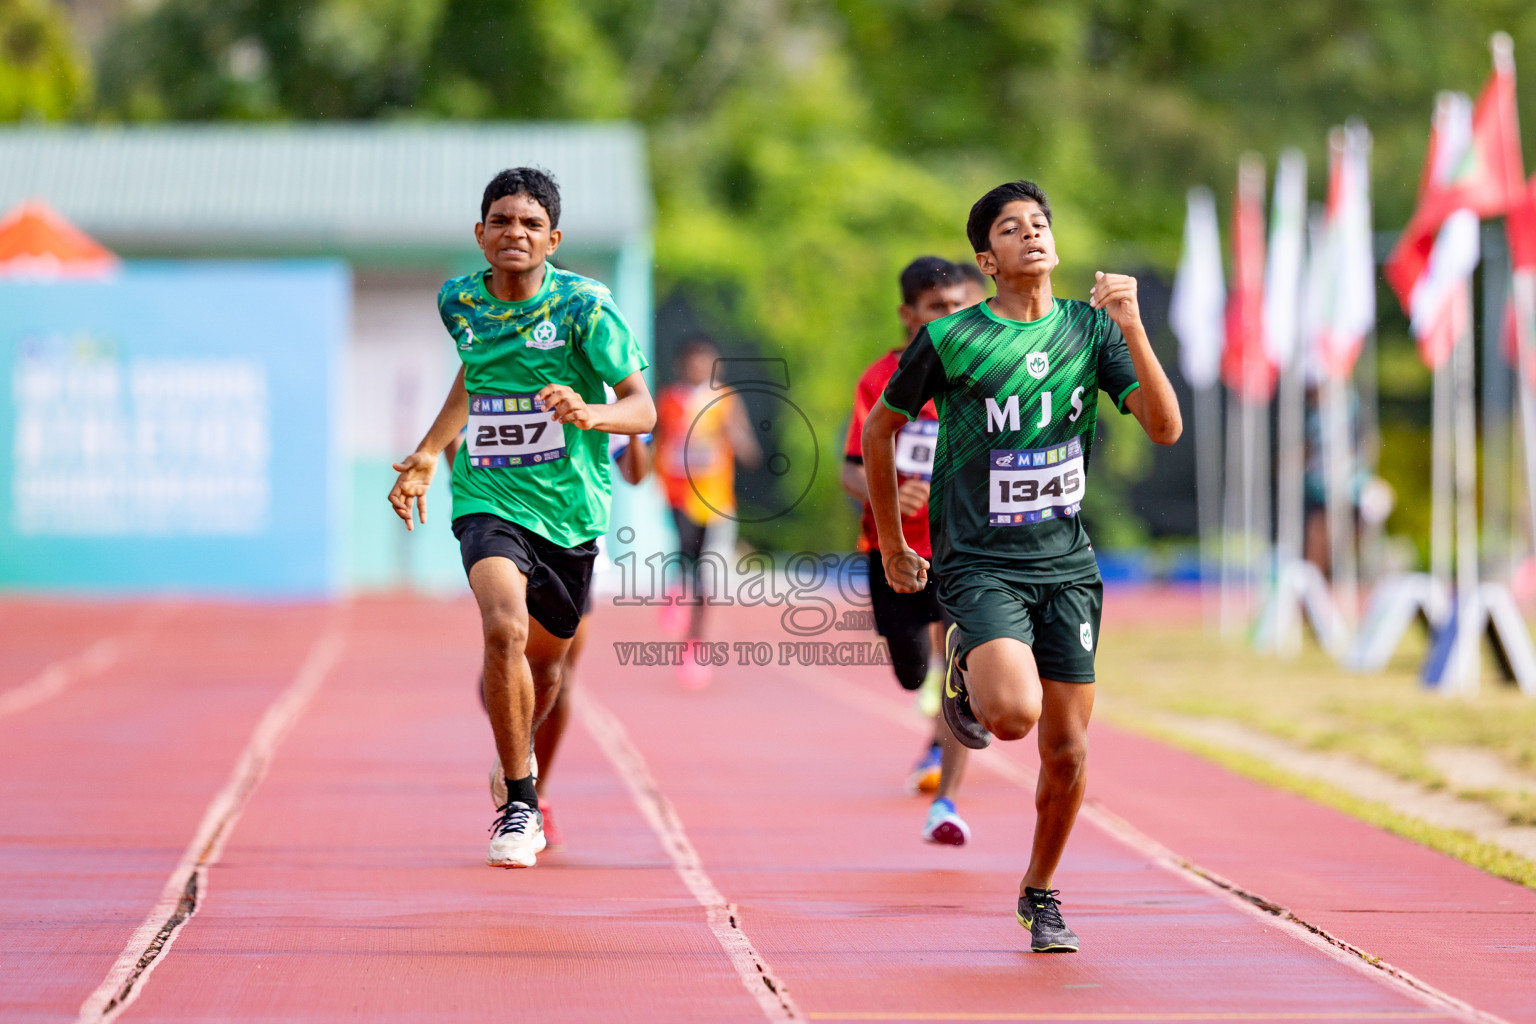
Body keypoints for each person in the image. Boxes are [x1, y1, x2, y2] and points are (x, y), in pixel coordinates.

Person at [862, 180, 1181, 952]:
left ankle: (1040, 891)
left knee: (1068, 752)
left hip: (1066, 566)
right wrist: (897, 544)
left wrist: (1132, 327)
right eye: (1013, 228)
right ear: (988, 258)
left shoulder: (1090, 331)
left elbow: (1165, 428)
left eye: (1040, 223)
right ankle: (968, 670)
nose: (1032, 234)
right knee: (1013, 716)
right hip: (978, 562)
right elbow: (880, 432)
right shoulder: (950, 340)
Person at [389, 167, 655, 869]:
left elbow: (644, 407)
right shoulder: (460, 301)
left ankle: (517, 749)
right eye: (502, 221)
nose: (515, 233)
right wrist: (426, 453)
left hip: (569, 511)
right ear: (480, 234)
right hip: (487, 498)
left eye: (531, 224)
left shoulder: (585, 310)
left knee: (552, 670)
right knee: (503, 625)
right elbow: (472, 379)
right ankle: (520, 802)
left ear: (553, 239)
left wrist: (593, 412)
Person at [451, 410, 653, 852]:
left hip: (568, 542)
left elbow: (637, 474)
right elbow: (456, 440)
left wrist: (634, 430)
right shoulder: (504, 380)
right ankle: (521, 780)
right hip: (507, 532)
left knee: (558, 675)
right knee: (505, 637)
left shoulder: (597, 394)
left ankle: (534, 783)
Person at [841, 256, 985, 846]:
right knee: (910, 671)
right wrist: (889, 496)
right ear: (909, 315)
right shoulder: (880, 379)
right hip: (893, 547)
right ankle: (931, 703)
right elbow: (851, 470)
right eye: (936, 309)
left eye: (958, 306)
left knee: (962, 670)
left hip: (964, 549)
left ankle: (946, 799)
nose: (950, 317)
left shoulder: (981, 372)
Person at [653, 336, 761, 687]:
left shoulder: (726, 401)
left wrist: (733, 435)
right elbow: (655, 439)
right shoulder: (669, 399)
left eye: (707, 361)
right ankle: (676, 590)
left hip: (714, 498)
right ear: (683, 365)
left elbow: (750, 454)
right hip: (676, 492)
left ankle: (694, 644)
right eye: (694, 361)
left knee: (703, 568)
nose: (701, 368)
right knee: (686, 548)